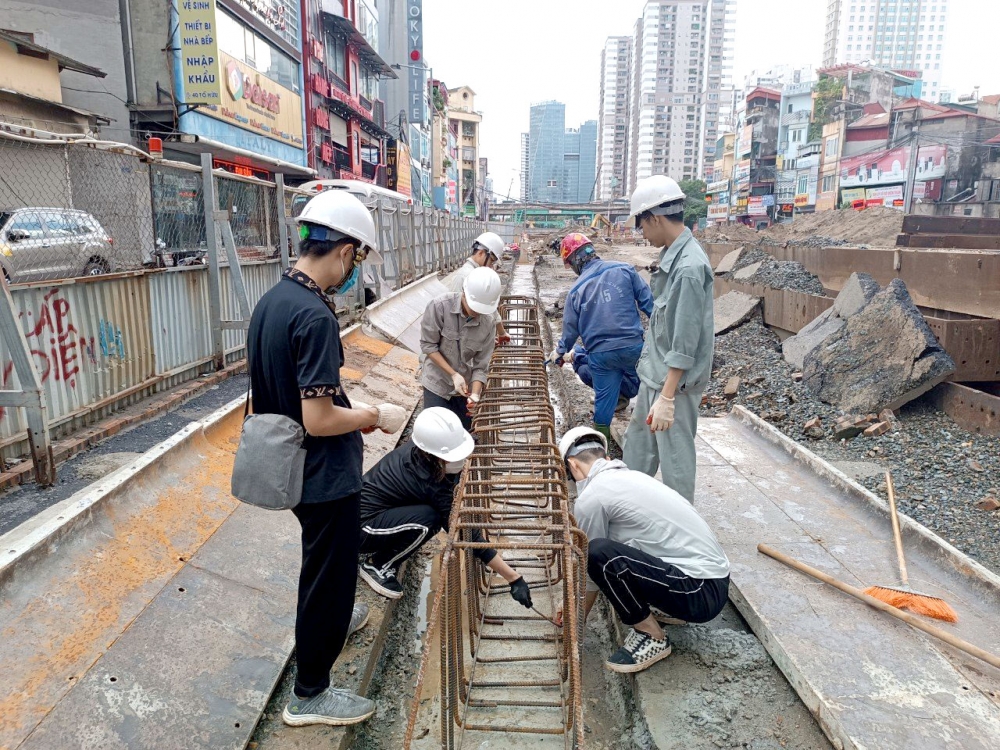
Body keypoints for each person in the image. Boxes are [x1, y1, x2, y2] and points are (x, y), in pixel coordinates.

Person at [248, 189, 410, 728]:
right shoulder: (315, 316)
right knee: (327, 574)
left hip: (289, 465)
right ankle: (310, 694)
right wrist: (373, 415)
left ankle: (337, 616)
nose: (352, 273)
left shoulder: (272, 300)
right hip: (322, 476)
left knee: (328, 570)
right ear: (344, 252)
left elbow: (296, 396)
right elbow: (318, 420)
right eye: (356, 260)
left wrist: (350, 406)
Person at [559, 426, 730, 674]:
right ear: (605, 458)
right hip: (714, 582)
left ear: (573, 466)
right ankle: (668, 609)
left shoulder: (592, 498)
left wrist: (576, 621)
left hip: (699, 592)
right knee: (610, 552)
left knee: (598, 554)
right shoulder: (633, 478)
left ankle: (651, 635)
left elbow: (589, 571)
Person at [357, 406, 534, 608]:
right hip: (361, 528)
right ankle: (377, 566)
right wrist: (513, 577)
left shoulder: (422, 452)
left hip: (370, 512)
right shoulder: (429, 481)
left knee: (431, 515)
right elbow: (465, 533)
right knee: (429, 520)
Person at [622, 176, 713, 503]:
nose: (642, 234)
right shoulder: (672, 256)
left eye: (642, 226)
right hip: (655, 378)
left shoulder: (688, 267)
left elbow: (684, 340)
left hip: (673, 386)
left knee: (675, 465)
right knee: (637, 454)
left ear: (655, 218)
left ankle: (682, 536)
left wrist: (668, 398)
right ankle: (627, 516)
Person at [550, 233, 654, 442]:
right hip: (634, 348)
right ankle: (650, 431)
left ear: (574, 261)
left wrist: (559, 353)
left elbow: (570, 330)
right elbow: (650, 304)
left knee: (603, 407)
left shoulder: (577, 290)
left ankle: (602, 450)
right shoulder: (624, 269)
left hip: (602, 356)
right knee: (650, 387)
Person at [420, 266, 502, 431]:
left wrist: (475, 395)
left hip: (464, 389)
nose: (477, 313)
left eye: (481, 310)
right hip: (437, 382)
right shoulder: (439, 307)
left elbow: (481, 366)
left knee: (463, 434)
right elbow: (428, 346)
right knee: (436, 433)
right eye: (474, 308)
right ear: (464, 292)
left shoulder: (488, 322)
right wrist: (453, 374)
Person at [443, 231, 510, 346]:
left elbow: (490, 307)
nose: (491, 266)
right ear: (481, 253)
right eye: (491, 261)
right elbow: (454, 317)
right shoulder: (464, 276)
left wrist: (498, 333)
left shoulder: (479, 275)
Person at [567, 344, 640, 414]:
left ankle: (620, 399)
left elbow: (598, 361)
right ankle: (606, 397)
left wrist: (574, 356)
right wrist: (572, 351)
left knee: (585, 371)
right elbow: (588, 351)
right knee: (583, 367)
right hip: (620, 375)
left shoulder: (616, 339)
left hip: (630, 384)